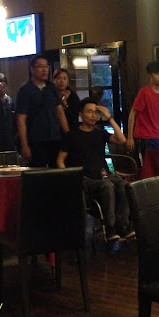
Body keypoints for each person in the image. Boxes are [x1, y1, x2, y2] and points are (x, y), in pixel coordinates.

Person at [57, 97, 134, 242]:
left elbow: (122, 140)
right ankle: (110, 228)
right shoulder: (72, 135)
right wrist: (70, 177)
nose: (93, 115)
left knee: (124, 185)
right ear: (81, 114)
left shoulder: (100, 133)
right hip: (86, 178)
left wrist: (109, 118)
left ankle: (123, 225)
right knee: (108, 186)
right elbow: (60, 160)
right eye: (89, 112)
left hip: (104, 174)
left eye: (95, 112)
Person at [16, 55, 69, 167]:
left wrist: (68, 135)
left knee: (56, 171)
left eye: (46, 66)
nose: (44, 70)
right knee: (38, 171)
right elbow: (21, 119)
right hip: (35, 139)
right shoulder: (25, 90)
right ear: (32, 69)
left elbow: (60, 112)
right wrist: (24, 145)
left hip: (54, 137)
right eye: (40, 66)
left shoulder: (52, 87)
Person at [127, 61, 159, 161]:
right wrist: (130, 137)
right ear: (150, 75)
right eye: (157, 74)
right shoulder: (144, 92)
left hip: (157, 135)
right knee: (148, 165)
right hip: (143, 136)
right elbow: (133, 113)